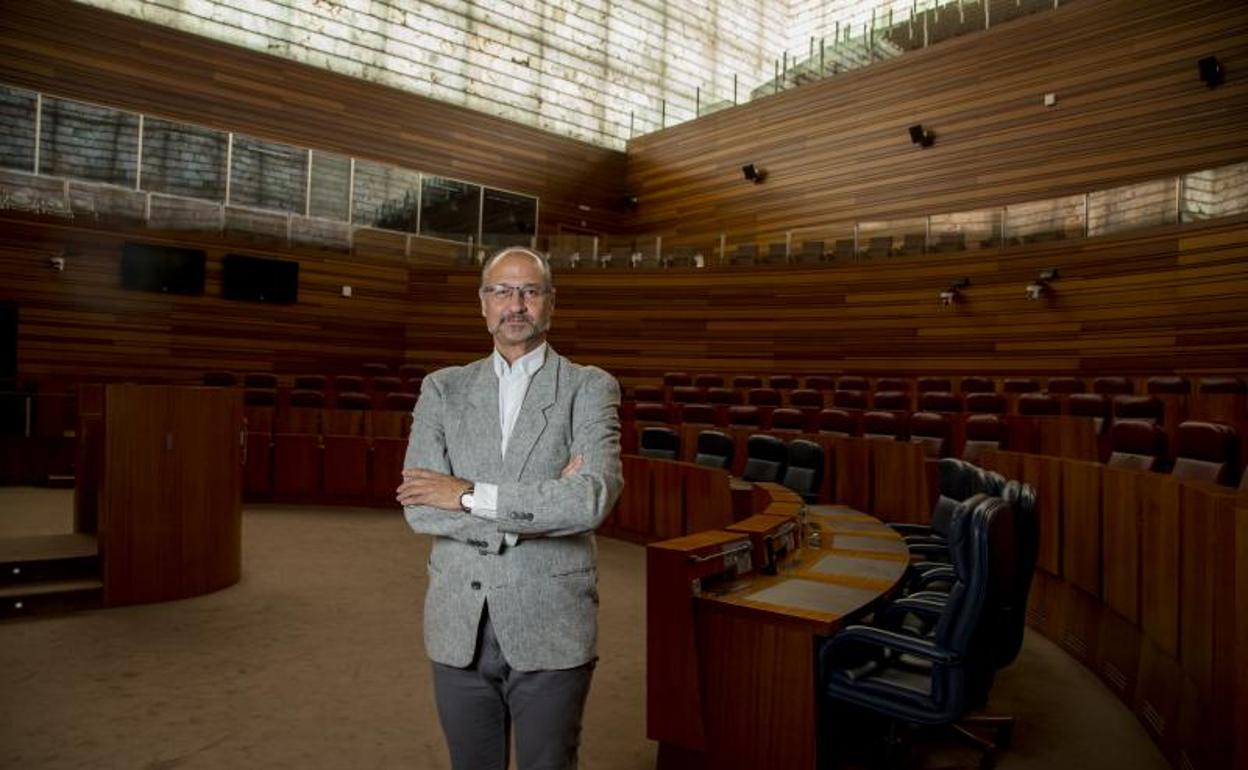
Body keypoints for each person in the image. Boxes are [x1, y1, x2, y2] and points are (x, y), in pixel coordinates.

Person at [395, 245, 623, 770]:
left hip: (550, 622)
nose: (514, 304)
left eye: (529, 291)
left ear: (550, 303)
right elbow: (419, 506)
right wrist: (541, 510)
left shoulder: (588, 387)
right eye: (501, 290)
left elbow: (590, 498)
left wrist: (467, 495)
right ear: (482, 303)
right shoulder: (443, 388)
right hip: (458, 623)